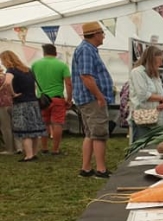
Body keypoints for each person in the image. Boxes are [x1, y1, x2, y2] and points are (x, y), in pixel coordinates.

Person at [72, 21, 114, 178]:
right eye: (102, 33)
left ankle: (86, 168)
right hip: (92, 99)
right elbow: (86, 76)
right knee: (99, 134)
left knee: (90, 134)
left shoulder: (88, 49)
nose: (103, 36)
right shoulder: (86, 50)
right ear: (96, 34)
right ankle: (101, 170)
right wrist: (99, 96)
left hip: (87, 98)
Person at [0, 50, 47, 162]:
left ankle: (29, 155)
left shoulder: (11, 71)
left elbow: (7, 82)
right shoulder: (28, 70)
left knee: (25, 131)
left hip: (21, 103)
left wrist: (13, 94)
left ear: (6, 60)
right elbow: (34, 85)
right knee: (34, 130)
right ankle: (34, 153)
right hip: (33, 102)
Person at [31, 43, 72, 155]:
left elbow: (32, 83)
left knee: (44, 123)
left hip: (42, 100)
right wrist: (69, 99)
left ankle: (44, 147)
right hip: (58, 98)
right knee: (57, 124)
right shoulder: (62, 65)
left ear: (43, 53)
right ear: (55, 52)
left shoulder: (35, 65)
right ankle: (55, 149)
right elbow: (68, 83)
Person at [128, 46, 163, 143]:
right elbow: (143, 95)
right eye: (160, 60)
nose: (161, 63)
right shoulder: (137, 72)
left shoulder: (154, 74)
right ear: (152, 59)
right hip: (143, 118)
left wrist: (161, 103)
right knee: (141, 146)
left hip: (156, 117)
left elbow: (157, 93)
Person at [0, 65, 15, 154]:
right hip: (11, 101)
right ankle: (19, 147)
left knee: (6, 127)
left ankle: (9, 149)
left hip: (1, 104)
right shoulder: (7, 76)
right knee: (14, 125)